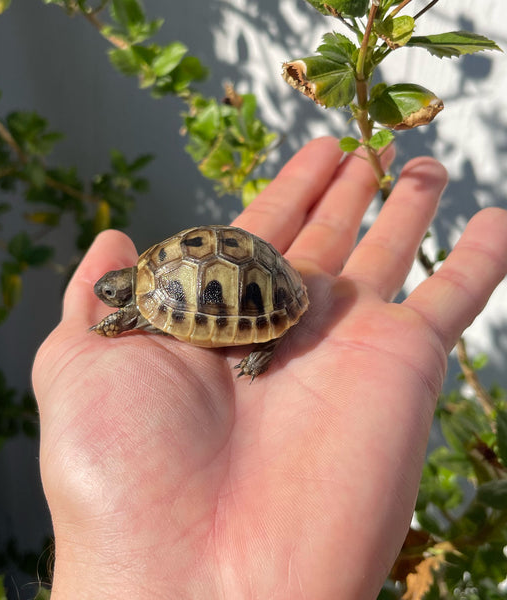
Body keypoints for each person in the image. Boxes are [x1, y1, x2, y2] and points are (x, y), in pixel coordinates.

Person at [32, 137, 507, 599]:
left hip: (260, 286)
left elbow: (133, 313)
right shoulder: (150, 275)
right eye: (115, 298)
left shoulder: (145, 294)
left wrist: (106, 329)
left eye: (116, 299)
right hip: (247, 270)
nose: (112, 302)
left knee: (260, 330)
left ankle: (269, 342)